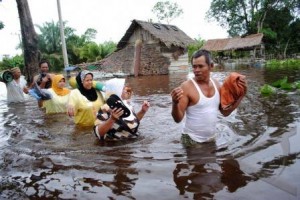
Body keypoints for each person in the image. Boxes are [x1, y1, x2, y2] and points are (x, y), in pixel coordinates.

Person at [170, 49, 247, 145]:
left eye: (200, 66)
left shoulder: (217, 84)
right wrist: (174, 103)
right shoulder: (186, 87)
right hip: (192, 140)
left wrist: (241, 95)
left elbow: (225, 112)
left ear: (211, 66)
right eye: (194, 67)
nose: (196, 70)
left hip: (211, 139)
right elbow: (177, 119)